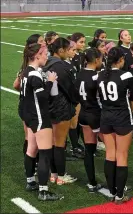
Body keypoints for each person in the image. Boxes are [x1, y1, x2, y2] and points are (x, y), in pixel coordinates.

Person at [20, 42, 62, 200]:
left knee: (31, 150)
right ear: (37, 55)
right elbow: (43, 97)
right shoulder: (35, 75)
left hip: (30, 116)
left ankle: (31, 182)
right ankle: (43, 191)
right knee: (45, 153)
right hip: (39, 117)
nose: (47, 56)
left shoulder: (26, 72)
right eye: (45, 54)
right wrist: (50, 81)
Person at [97, 47, 133, 204]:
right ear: (120, 60)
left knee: (110, 154)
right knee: (122, 156)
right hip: (122, 118)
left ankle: (112, 190)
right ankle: (119, 195)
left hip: (105, 117)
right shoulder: (126, 75)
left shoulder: (100, 75)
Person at [43, 37, 78, 185]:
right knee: (60, 143)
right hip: (62, 107)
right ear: (61, 50)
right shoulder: (63, 66)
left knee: (52, 143)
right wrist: (76, 103)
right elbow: (71, 90)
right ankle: (61, 176)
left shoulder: (46, 63)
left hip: (48, 107)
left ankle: (54, 174)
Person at [75, 48, 104, 192]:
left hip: (84, 113)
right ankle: (117, 186)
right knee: (113, 150)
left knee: (89, 150)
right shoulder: (97, 76)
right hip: (96, 115)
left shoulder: (79, 73)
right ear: (97, 60)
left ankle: (92, 183)